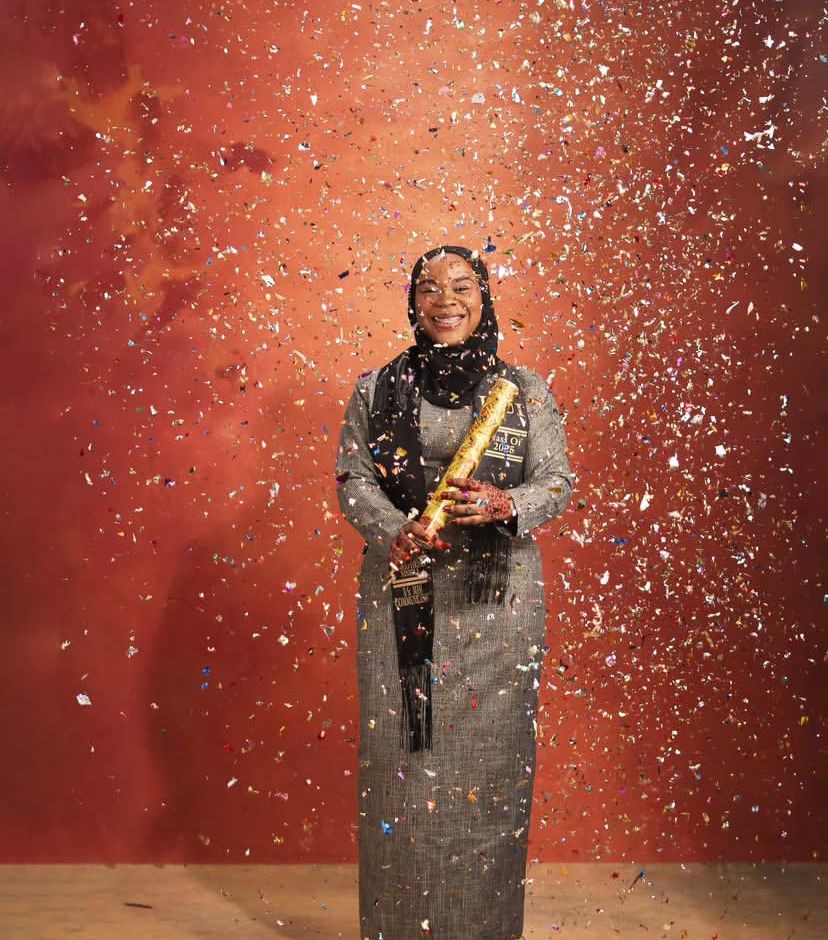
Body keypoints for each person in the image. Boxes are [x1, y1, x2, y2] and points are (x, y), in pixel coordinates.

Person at [335, 245, 574, 940]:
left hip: (497, 612)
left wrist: (505, 504)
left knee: (490, 779)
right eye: (431, 287)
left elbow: (557, 482)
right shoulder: (375, 390)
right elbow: (353, 481)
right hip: (402, 599)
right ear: (413, 302)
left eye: (463, 286)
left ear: (484, 297)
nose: (447, 298)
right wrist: (395, 530)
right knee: (401, 777)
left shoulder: (522, 390)